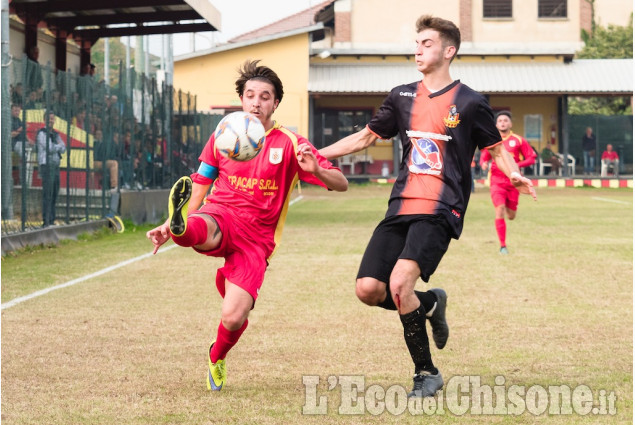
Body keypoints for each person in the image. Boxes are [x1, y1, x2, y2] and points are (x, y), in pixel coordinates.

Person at [318, 15, 536, 399]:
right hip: (401, 205)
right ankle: (432, 302)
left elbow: (496, 148)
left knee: (400, 283)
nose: (418, 49)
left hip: (442, 208)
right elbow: (366, 137)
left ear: (449, 51)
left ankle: (427, 373)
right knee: (368, 289)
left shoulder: (470, 102)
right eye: (417, 43)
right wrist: (319, 155)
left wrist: (514, 174)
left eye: (427, 43)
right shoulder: (401, 96)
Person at [146, 60, 348, 391]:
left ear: (276, 103)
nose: (256, 102)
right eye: (250, 95)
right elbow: (199, 186)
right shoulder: (223, 134)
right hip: (220, 213)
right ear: (242, 99)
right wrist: (168, 226)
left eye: (265, 96)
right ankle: (181, 230)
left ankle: (217, 356)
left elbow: (341, 184)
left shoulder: (291, 144)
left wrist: (318, 169)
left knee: (233, 316)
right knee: (200, 227)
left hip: (256, 240)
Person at [480, 111, 536, 255]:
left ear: (510, 124)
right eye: (500, 121)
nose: (503, 123)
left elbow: (531, 158)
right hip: (496, 181)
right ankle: (503, 246)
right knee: (499, 209)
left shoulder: (518, 140)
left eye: (506, 120)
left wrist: (515, 166)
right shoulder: (492, 140)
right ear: (496, 124)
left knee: (511, 216)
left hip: (513, 183)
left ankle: (506, 207)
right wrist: (483, 163)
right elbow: (485, 155)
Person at [37, 111, 67, 227]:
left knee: (54, 193)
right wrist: (58, 147)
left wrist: (57, 147)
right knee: (47, 193)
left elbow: (64, 148)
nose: (51, 121)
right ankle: (46, 220)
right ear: (44, 120)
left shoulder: (56, 134)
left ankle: (52, 219)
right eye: (49, 119)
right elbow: (49, 148)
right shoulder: (42, 133)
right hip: (46, 166)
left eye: (53, 119)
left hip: (55, 166)